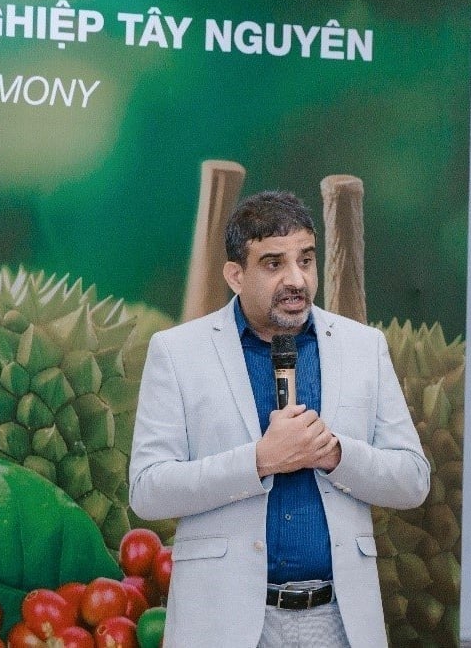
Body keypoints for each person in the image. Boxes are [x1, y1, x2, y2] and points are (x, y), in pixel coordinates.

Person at [129, 190, 430, 647]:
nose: (296, 280)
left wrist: (334, 454)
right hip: (224, 624)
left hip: (338, 621)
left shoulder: (362, 347)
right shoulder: (177, 353)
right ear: (235, 275)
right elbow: (148, 490)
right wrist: (260, 460)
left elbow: (412, 480)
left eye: (305, 261)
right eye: (273, 264)